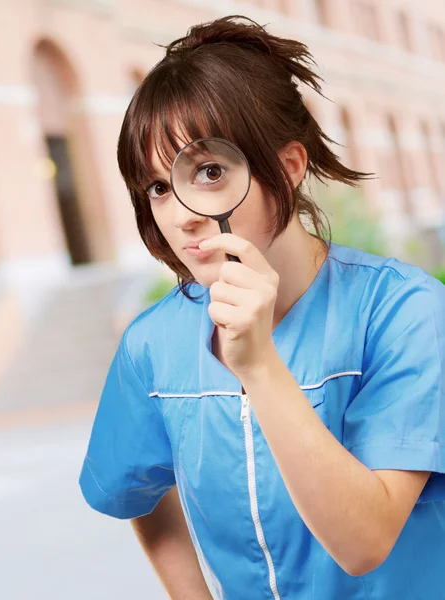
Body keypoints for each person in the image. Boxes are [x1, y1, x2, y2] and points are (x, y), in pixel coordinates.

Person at [79, 15, 445, 600]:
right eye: (157, 187)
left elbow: (364, 542)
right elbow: (137, 492)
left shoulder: (405, 312)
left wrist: (259, 366)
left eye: (209, 172)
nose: (181, 215)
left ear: (290, 168)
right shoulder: (153, 344)